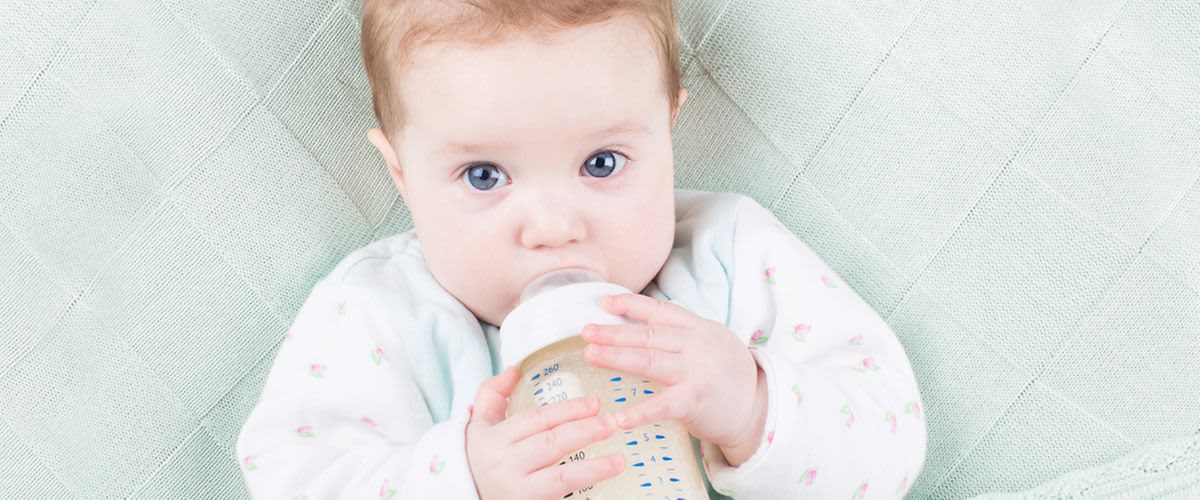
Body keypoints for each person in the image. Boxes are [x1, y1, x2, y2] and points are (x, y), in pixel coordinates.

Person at [236, 1, 927, 498]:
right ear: (402, 177)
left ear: (669, 128)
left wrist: (752, 405)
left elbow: (891, 440)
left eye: (602, 163)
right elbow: (293, 476)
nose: (553, 227)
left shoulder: (730, 258)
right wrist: (463, 479)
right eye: (484, 176)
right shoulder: (376, 317)